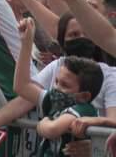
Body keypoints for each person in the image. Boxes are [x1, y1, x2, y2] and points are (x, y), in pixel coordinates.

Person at [13, 18, 103, 156]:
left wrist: (42, 123)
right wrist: (26, 43)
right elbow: (22, 86)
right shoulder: (55, 99)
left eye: (65, 85)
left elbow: (52, 129)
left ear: (84, 96)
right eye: (56, 81)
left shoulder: (83, 109)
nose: (56, 88)